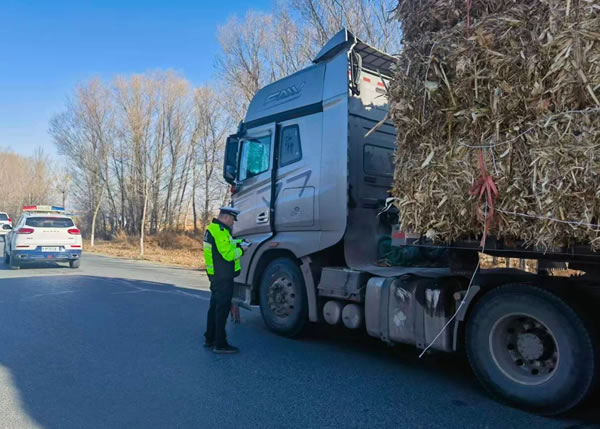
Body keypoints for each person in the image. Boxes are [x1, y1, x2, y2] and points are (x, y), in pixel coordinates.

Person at [203, 207, 248, 354]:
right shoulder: (220, 231)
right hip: (223, 276)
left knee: (214, 307)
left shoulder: (214, 229)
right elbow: (228, 254)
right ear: (226, 217)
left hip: (215, 275)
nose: (233, 223)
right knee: (222, 309)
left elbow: (225, 245)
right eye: (232, 219)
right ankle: (220, 344)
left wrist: (240, 242)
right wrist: (242, 250)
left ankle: (210, 338)